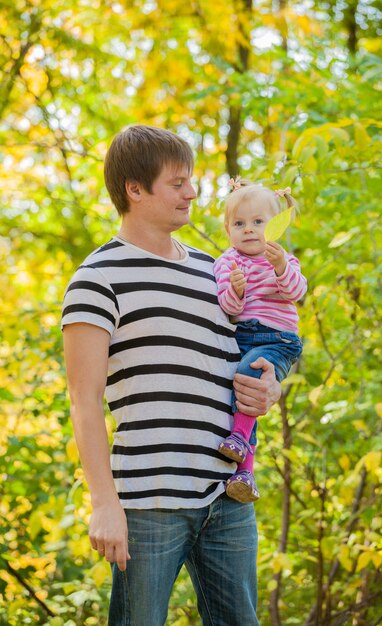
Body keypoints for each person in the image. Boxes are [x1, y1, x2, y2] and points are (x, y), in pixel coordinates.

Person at [62, 125, 281, 626]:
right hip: (148, 503)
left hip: (227, 497)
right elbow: (84, 400)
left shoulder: (217, 269)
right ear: (134, 190)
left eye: (192, 180)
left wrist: (268, 387)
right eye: (178, 183)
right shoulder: (97, 279)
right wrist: (104, 504)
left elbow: (250, 354)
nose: (192, 193)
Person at [213, 178, 307, 503]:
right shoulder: (226, 263)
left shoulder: (280, 259)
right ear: (228, 229)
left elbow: (297, 291)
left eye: (258, 222)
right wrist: (236, 290)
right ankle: (245, 473)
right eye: (239, 223)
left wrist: (281, 268)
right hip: (244, 336)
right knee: (239, 391)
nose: (249, 230)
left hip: (278, 340)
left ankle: (239, 437)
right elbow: (227, 306)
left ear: (274, 226)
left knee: (248, 373)